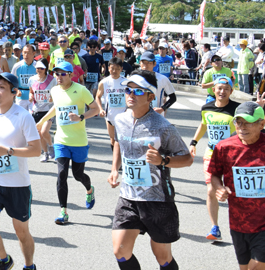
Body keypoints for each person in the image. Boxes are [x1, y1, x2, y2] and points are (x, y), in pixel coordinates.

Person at [107, 71, 193, 270]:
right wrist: (114, 169)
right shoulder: (120, 119)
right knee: (120, 250)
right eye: (128, 89)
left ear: (150, 96)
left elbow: (187, 159)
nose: (131, 94)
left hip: (157, 199)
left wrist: (163, 160)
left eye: (138, 91)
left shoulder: (163, 126)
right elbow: (119, 142)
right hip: (128, 196)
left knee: (162, 257)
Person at [0, 72, 41, 270]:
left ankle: (29, 265)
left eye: (2, 87)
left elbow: (36, 150)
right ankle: (5, 259)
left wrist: (9, 151)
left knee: (21, 232)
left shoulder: (23, 116)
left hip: (18, 185)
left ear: (14, 92)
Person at [35, 61, 99, 225]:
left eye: (63, 74)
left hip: (78, 141)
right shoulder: (55, 90)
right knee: (62, 174)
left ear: (71, 75)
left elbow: (96, 109)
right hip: (61, 140)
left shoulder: (81, 90)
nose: (59, 77)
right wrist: (42, 121)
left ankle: (89, 189)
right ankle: (63, 211)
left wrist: (81, 117)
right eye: (57, 73)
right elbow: (56, 108)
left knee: (78, 175)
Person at [209, 101, 265, 270]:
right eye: (238, 122)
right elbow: (215, 174)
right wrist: (219, 188)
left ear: (262, 123)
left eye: (247, 122)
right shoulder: (224, 147)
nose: (241, 127)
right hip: (239, 222)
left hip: (263, 222)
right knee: (246, 268)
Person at [189, 76, 239, 241]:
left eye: (226, 88)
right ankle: (215, 227)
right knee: (211, 190)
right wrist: (194, 142)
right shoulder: (206, 108)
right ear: (214, 90)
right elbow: (203, 124)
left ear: (231, 91)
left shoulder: (237, 109)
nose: (222, 91)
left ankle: (240, 226)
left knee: (234, 192)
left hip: (233, 157)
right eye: (219, 88)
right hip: (212, 155)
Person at [96, 57, 128, 151]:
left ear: (121, 69)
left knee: (123, 140)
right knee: (113, 140)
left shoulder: (126, 82)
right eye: (112, 68)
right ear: (108, 68)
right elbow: (97, 97)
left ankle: (121, 162)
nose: (114, 71)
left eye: (117, 69)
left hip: (124, 115)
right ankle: (116, 161)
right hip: (110, 115)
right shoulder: (104, 82)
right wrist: (100, 109)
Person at [29, 60, 56, 162]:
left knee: (44, 131)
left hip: (48, 109)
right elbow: (31, 92)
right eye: (37, 68)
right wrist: (31, 96)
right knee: (39, 134)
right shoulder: (32, 79)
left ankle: (51, 146)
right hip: (36, 110)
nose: (39, 70)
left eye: (42, 68)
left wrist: (52, 98)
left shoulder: (52, 80)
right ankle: (46, 153)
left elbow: (57, 92)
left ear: (45, 69)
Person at [138, 52, 176, 117]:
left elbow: (173, 98)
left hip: (156, 116)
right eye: (143, 62)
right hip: (139, 115)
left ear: (154, 64)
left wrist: (162, 109)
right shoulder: (135, 78)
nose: (146, 65)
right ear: (140, 63)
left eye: (149, 63)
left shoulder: (162, 79)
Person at [12, 44, 37, 110]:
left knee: (32, 118)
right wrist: (16, 90)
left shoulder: (37, 66)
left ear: (33, 53)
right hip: (21, 97)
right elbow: (11, 81)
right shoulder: (17, 66)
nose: (26, 55)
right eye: (24, 52)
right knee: (20, 118)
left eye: (28, 53)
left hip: (33, 97)